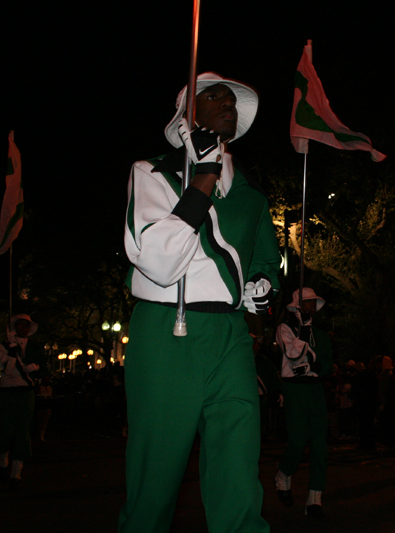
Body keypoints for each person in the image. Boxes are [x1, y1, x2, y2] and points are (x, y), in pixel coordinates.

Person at [120, 72, 280, 533]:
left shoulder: (250, 193)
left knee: (238, 465)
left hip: (230, 335)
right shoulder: (150, 172)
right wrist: (203, 176)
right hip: (168, 329)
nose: (227, 104)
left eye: (231, 99)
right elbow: (158, 259)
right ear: (187, 114)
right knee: (156, 473)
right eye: (213, 96)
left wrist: (263, 288)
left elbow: (266, 260)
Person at [274, 288, 333, 518]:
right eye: (307, 303)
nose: (311, 307)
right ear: (296, 306)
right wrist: (305, 334)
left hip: (315, 390)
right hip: (295, 390)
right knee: (297, 441)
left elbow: (326, 363)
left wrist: (318, 365)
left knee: (320, 446)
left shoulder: (322, 334)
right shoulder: (284, 329)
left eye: (313, 303)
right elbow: (293, 354)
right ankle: (283, 473)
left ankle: (315, 496)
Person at [0, 314, 44, 485]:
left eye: (26, 326)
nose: (22, 328)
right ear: (14, 327)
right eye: (19, 325)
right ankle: (2, 462)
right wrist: (11, 353)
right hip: (7, 391)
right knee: (6, 430)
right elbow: (1, 366)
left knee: (23, 432)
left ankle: (16, 472)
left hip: (25, 392)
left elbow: (43, 367)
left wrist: (35, 367)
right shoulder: (4, 346)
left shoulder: (36, 347)